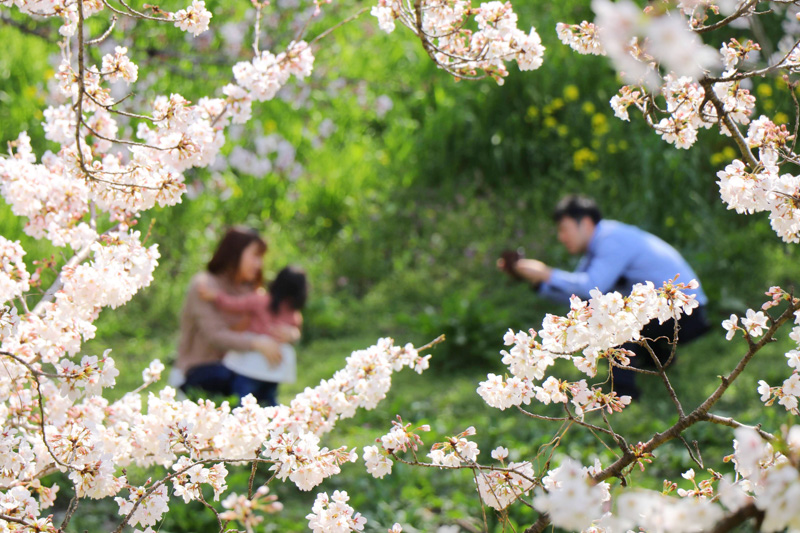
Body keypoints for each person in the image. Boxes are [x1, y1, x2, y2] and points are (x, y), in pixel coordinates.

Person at [498, 194, 710, 399]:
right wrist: (537, 282)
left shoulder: (612, 240)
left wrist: (545, 273)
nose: (561, 237)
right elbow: (582, 299)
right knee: (612, 311)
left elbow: (590, 285)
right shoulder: (599, 244)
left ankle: (623, 394)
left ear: (586, 222)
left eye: (564, 229)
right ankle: (659, 361)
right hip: (666, 311)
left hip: (687, 312)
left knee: (613, 321)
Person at [174, 227, 287, 401]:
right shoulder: (204, 285)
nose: (259, 264)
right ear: (236, 253)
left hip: (239, 367)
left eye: (261, 258)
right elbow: (215, 336)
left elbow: (266, 325)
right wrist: (256, 343)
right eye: (255, 256)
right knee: (243, 380)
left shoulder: (251, 290)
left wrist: (288, 333)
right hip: (200, 369)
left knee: (265, 380)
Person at [198, 265, 308, 406]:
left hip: (251, 363)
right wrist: (294, 335)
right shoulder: (294, 315)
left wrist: (215, 296)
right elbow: (295, 333)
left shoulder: (261, 300)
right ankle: (276, 424)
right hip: (274, 366)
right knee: (269, 398)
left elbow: (234, 304)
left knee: (243, 400)